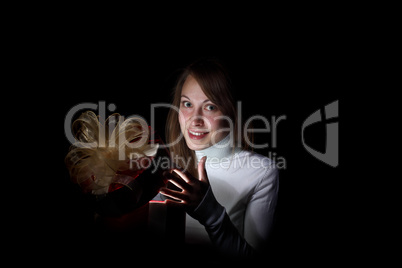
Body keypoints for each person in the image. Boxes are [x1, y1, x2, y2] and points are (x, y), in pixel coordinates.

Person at [158, 58, 279, 258]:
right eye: (187, 104)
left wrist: (211, 213)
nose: (194, 119)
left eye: (210, 107)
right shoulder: (168, 165)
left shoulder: (262, 172)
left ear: (232, 111)